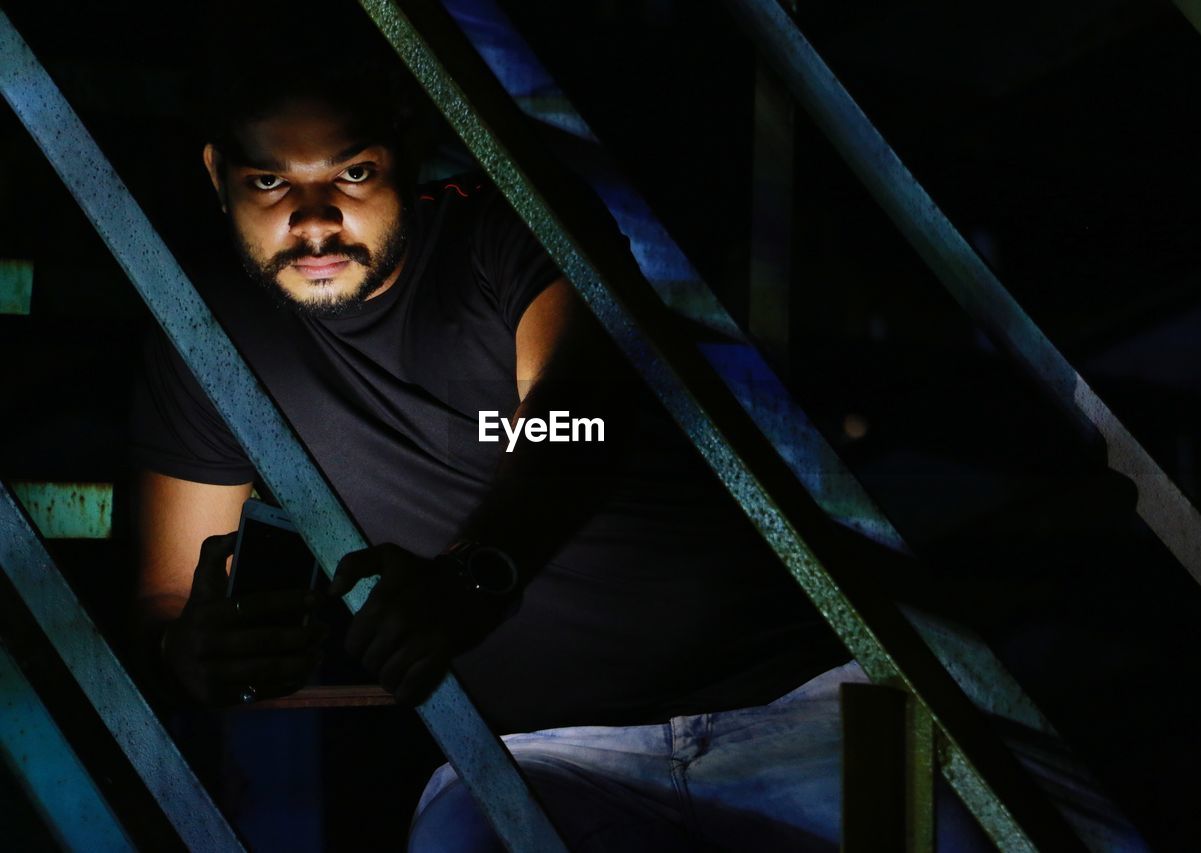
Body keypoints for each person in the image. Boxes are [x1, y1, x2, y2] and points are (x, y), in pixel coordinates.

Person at [128, 49, 860, 851]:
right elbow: (175, 593)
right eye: (270, 182)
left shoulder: (502, 225)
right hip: (541, 757)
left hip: (796, 705)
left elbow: (575, 414)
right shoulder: (211, 329)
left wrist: (478, 573)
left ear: (403, 150)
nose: (313, 219)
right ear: (216, 173)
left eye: (352, 173)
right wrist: (194, 649)